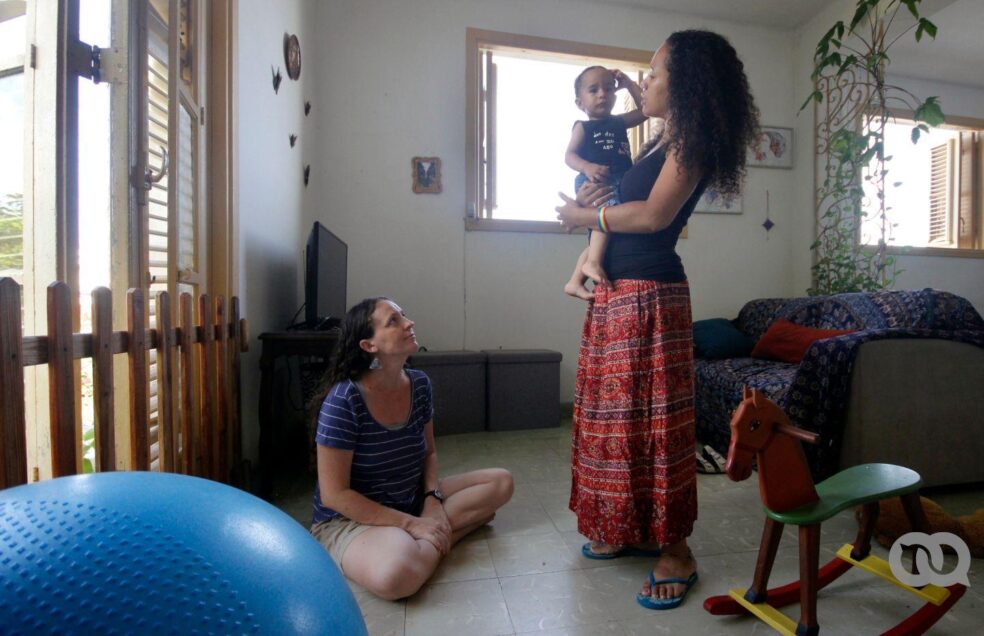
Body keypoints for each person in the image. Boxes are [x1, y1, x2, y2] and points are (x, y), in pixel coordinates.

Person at [555, 30, 759, 610]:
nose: (643, 81)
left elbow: (651, 214)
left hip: (650, 296)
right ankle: (631, 528)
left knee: (654, 427)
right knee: (615, 424)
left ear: (686, 83)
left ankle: (677, 551)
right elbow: (627, 195)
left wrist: (583, 213)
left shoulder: (693, 141)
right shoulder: (658, 140)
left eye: (653, 73)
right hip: (617, 293)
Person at [310, 297, 514, 600]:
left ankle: (427, 536)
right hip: (350, 519)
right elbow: (334, 495)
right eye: (394, 321)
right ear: (369, 346)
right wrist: (410, 524)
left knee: (501, 481)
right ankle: (450, 534)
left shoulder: (419, 384)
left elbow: (429, 453)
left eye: (404, 315)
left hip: (410, 498)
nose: (409, 323)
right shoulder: (345, 399)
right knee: (395, 577)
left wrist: (432, 499)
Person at [563, 66, 647, 301]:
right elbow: (569, 156)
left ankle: (575, 281)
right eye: (594, 90)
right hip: (595, 180)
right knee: (604, 221)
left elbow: (645, 110)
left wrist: (629, 83)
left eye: (609, 89)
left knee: (605, 232)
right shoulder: (583, 126)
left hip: (618, 179)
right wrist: (587, 167)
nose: (603, 94)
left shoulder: (619, 122)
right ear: (580, 103)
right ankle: (593, 263)